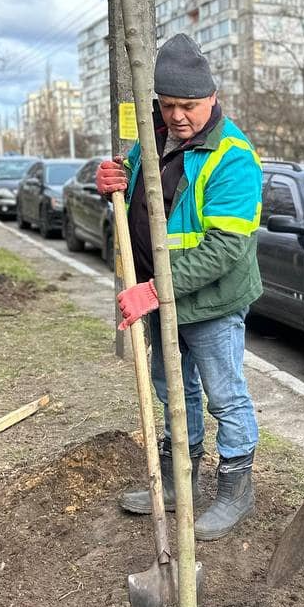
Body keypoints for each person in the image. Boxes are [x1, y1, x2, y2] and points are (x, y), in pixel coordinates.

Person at [97, 33, 263, 541]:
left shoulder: (233, 156)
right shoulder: (150, 139)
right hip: (159, 297)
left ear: (212, 98)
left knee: (224, 395)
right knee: (173, 392)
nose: (178, 116)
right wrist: (110, 179)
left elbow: (225, 250)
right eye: (168, 105)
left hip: (210, 302)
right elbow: (129, 188)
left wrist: (155, 290)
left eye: (188, 105)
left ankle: (236, 491)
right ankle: (175, 484)